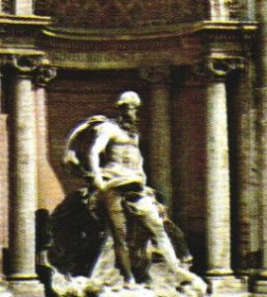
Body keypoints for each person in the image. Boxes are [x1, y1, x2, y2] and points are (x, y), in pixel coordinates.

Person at [67, 92, 187, 284]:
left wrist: (144, 182)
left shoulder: (133, 134)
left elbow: (138, 161)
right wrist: (98, 178)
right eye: (129, 107)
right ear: (121, 108)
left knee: (157, 227)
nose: (133, 111)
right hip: (113, 184)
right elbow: (94, 152)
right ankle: (128, 278)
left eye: (135, 107)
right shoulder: (108, 128)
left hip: (136, 185)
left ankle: (175, 269)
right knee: (119, 236)